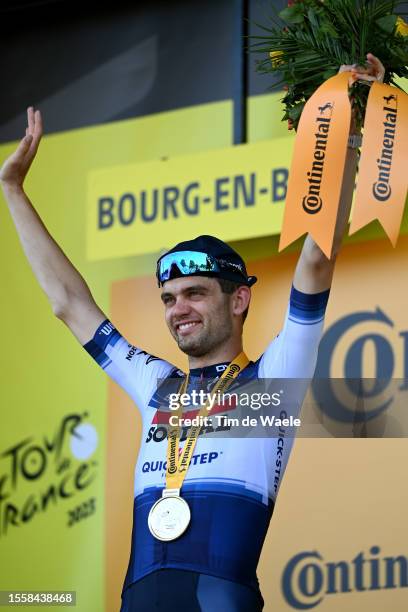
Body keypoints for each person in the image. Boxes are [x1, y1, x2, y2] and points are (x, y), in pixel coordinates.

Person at [0, 56, 385, 612]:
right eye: (168, 298)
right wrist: (12, 189)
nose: (178, 309)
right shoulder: (156, 385)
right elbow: (68, 304)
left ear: (240, 298)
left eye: (196, 293)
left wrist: (349, 128)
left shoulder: (274, 382)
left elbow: (317, 262)